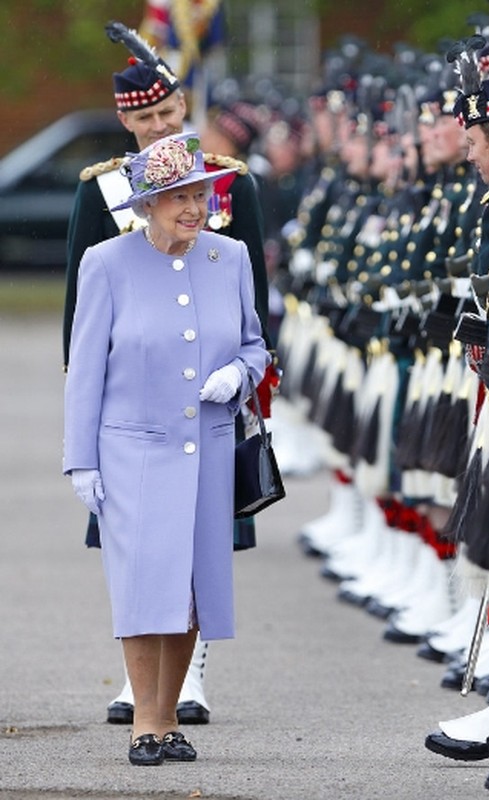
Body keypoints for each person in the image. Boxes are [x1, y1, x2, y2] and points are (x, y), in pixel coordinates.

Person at [63, 23, 273, 727]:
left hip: (209, 422)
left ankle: (187, 687)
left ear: (182, 106)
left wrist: (246, 383)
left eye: (166, 113)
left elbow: (253, 319)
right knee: (138, 565)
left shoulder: (228, 207)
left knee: (200, 570)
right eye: (144, 118)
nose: (157, 126)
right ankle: (143, 693)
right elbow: (81, 328)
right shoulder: (103, 208)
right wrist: (81, 450)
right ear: (127, 120)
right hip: (134, 423)